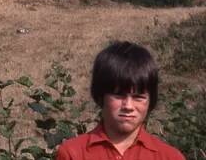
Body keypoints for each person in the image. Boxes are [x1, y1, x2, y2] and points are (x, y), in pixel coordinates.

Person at [55, 41, 185, 159]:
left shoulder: (169, 157)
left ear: (151, 100)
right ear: (100, 96)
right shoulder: (73, 153)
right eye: (119, 95)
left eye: (138, 97)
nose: (128, 106)